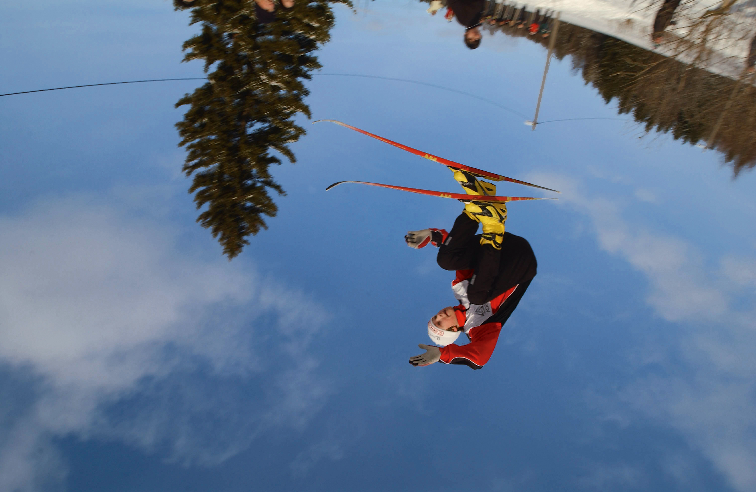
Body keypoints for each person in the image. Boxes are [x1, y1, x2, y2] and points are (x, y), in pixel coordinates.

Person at [406, 171, 538, 370]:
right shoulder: (478, 328)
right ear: (452, 329)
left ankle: (477, 208)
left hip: (505, 246)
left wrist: (434, 237)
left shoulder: (460, 289)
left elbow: (462, 257)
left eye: (435, 318)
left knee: (446, 261)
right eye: (440, 323)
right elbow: (479, 359)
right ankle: (493, 225)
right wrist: (443, 354)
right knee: (477, 296)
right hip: (519, 264)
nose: (439, 316)